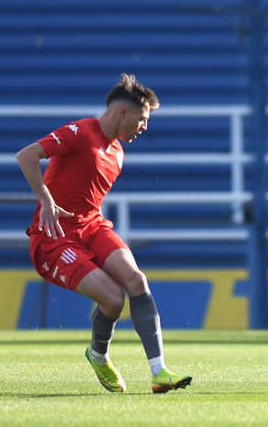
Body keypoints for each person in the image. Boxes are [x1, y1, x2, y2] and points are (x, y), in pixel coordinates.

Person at [15, 73, 192, 394]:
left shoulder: (117, 153)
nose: (145, 127)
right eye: (143, 119)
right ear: (123, 113)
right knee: (113, 300)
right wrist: (46, 201)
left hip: (92, 225)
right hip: (55, 237)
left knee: (137, 281)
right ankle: (98, 354)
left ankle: (159, 372)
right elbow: (26, 155)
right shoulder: (80, 133)